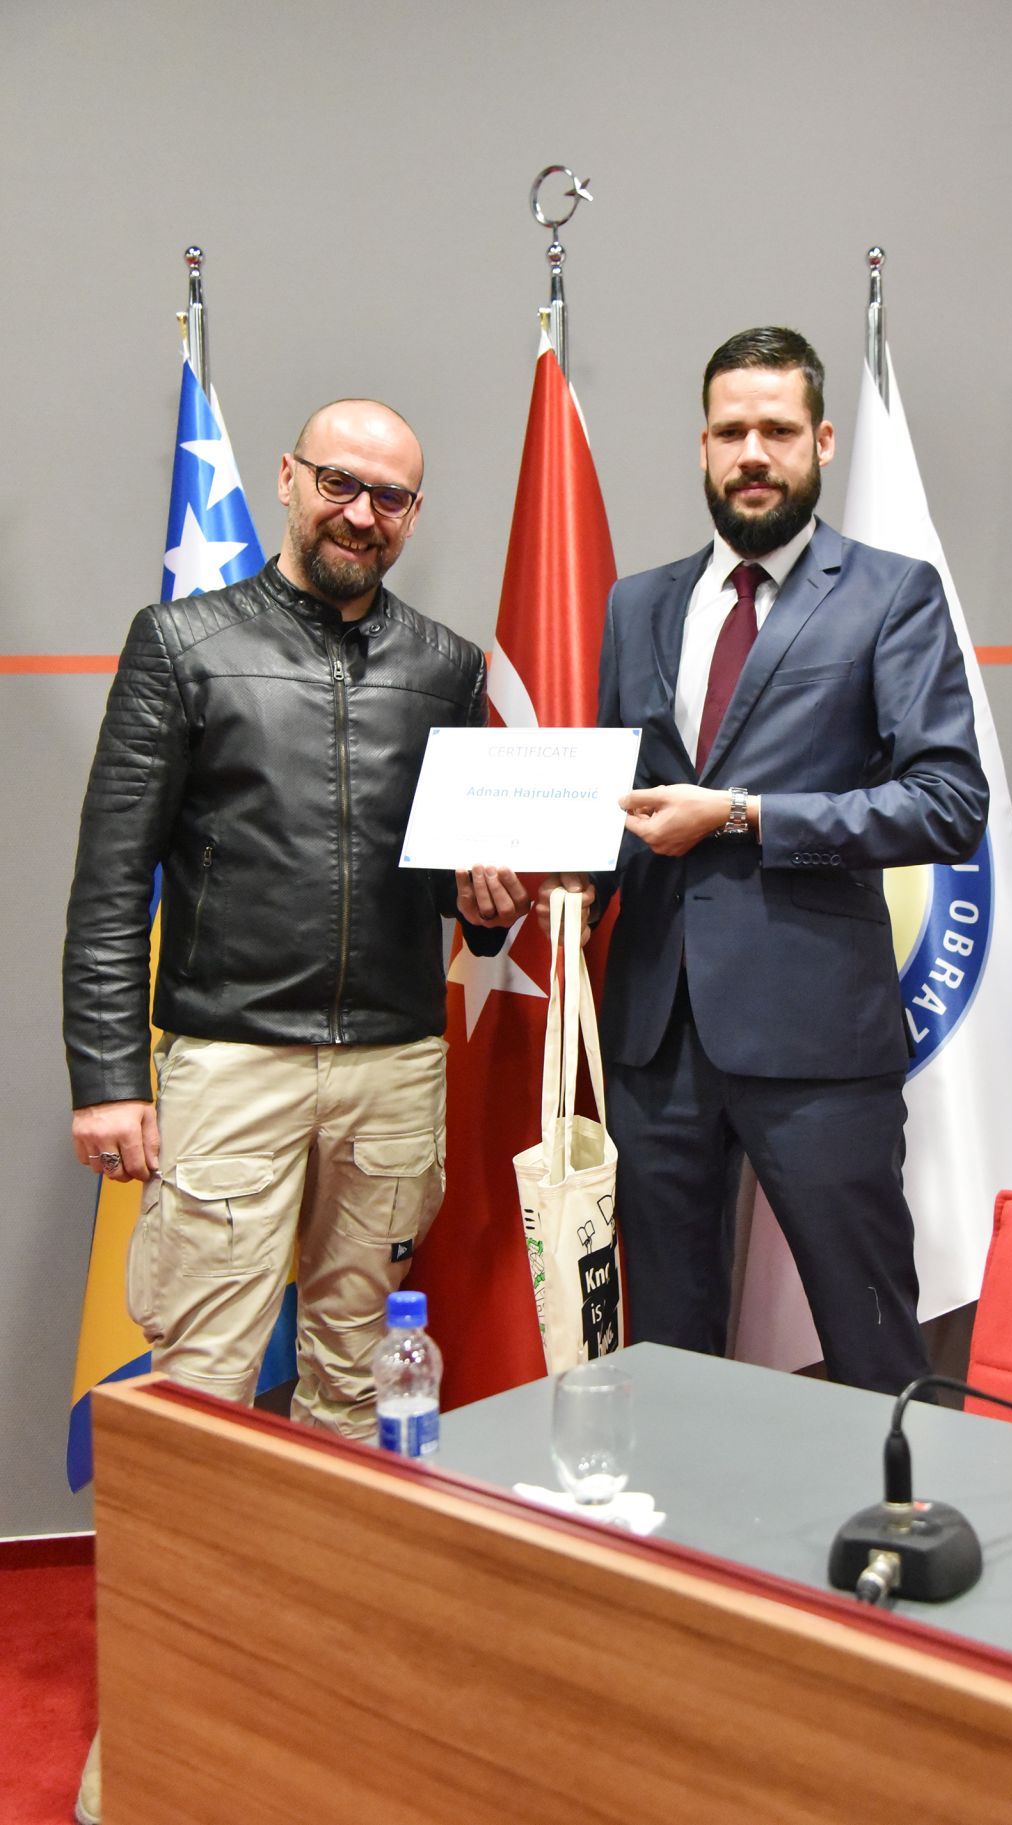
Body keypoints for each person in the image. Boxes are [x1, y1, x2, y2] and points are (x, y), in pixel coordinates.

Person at [65, 398, 528, 1821]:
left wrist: (490, 904)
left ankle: (317, 1695)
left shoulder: (446, 667)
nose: (362, 514)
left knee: (354, 1388)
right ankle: (159, 1724)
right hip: (230, 1065)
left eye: (392, 497)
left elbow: (462, 881)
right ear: (289, 479)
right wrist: (109, 1077)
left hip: (392, 1069)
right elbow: (111, 875)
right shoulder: (183, 644)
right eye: (342, 483)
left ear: (412, 515)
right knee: (202, 1391)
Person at [539, 327, 988, 1396]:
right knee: (668, 1350)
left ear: (821, 441)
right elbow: (623, 804)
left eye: (777, 430)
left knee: (871, 1339)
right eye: (730, 431)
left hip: (817, 1037)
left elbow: (947, 804)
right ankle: (688, 1510)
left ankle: (899, 1500)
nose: (752, 453)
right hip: (656, 1039)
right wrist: (552, 881)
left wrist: (740, 815)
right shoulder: (638, 604)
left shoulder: (890, 593)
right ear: (700, 445)